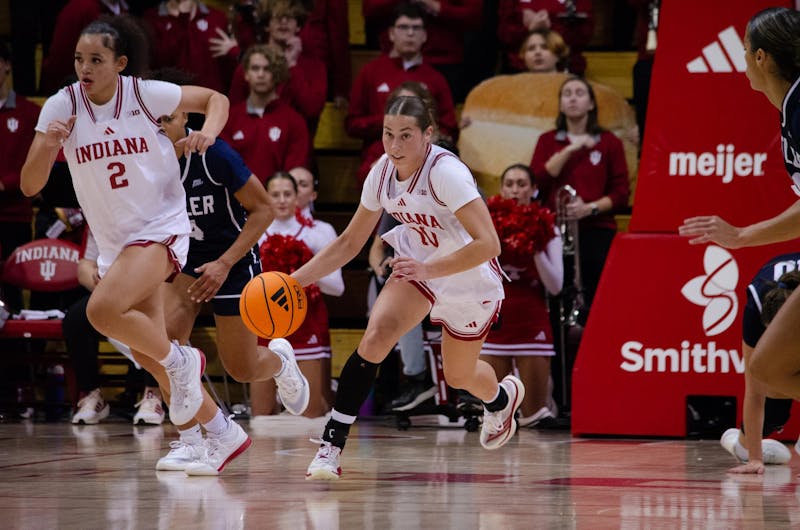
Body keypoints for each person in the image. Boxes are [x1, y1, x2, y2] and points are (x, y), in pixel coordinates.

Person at [294, 95, 524, 481]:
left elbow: (489, 244)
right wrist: (294, 281)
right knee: (376, 336)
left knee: (459, 376)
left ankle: (501, 399)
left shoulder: (446, 173)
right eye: (388, 135)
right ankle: (331, 445)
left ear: (428, 135)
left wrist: (429, 267)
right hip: (420, 265)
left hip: (466, 273)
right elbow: (350, 242)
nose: (395, 146)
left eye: (405, 136)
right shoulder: (381, 173)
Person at [20, 15, 228, 434]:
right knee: (145, 351)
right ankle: (219, 433)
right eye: (80, 59)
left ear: (120, 63)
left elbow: (214, 99)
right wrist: (48, 146)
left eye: (97, 59)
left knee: (100, 312)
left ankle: (183, 359)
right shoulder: (63, 105)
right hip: (115, 241)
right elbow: (29, 185)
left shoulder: (146, 94)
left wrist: (209, 132)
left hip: (160, 227)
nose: (85, 68)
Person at [125, 95, 310, 475]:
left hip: (234, 259)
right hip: (184, 260)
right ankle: (191, 441)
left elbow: (264, 211)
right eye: (152, 121)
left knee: (241, 367)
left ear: (186, 118)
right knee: (163, 345)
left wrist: (225, 263)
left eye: (167, 119)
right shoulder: (148, 163)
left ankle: (280, 361)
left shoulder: (216, 156)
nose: (159, 128)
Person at [678, 8, 800, 405]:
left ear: (762, 57)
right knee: (766, 370)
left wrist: (742, 236)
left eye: (745, 50)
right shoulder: (790, 109)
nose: (742, 59)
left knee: (769, 369)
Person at [530, 75, 630, 315]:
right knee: (558, 296)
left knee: (597, 297)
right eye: (567, 94)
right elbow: (537, 184)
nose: (573, 98)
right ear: (561, 105)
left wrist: (590, 208)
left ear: (591, 104)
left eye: (579, 93)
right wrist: (571, 149)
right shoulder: (547, 141)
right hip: (555, 230)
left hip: (597, 230)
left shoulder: (609, 142)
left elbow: (620, 193)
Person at [250, 171, 343, 419]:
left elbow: (338, 287)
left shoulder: (318, 232)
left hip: (306, 324)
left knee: (310, 412)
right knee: (261, 413)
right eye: (275, 194)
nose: (281, 200)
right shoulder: (254, 232)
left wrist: (302, 269)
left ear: (298, 197)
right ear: (266, 197)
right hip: (265, 325)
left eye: (287, 194)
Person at [481, 163, 563, 426]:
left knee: (534, 416)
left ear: (534, 190)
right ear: (502, 189)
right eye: (509, 184)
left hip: (531, 321)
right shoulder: (484, 224)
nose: (515, 190)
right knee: (497, 418)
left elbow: (556, 285)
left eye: (522, 184)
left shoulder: (549, 227)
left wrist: (534, 244)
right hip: (494, 319)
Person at [347, 3, 458, 183]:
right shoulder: (371, 72)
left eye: (416, 28)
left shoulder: (435, 78)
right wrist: (391, 122)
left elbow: (449, 128)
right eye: (403, 27)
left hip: (424, 158)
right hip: (377, 154)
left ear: (425, 35)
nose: (410, 33)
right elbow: (352, 123)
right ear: (391, 33)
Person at [67, 229, 166, 426]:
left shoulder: (147, 213)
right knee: (75, 319)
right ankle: (92, 394)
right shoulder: (96, 213)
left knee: (154, 316)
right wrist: (100, 284)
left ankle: (153, 394)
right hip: (110, 291)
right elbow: (84, 266)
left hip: (149, 287)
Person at [720, 256, 800, 474]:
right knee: (773, 412)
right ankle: (741, 445)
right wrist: (755, 459)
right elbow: (754, 390)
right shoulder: (756, 307)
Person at [221, 44, 310, 186]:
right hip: (235, 202)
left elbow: (293, 173)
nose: (261, 74)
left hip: (278, 203)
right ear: (246, 74)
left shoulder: (294, 121)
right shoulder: (229, 118)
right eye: (255, 68)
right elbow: (223, 167)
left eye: (267, 69)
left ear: (277, 74)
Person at [0, 40, 40, 311]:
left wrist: (5, 184)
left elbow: (37, 163)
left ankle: (21, 351)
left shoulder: (30, 113)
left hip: (14, 215)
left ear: (6, 65)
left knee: (15, 289)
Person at [142, 0, 237, 93]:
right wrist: (183, 19)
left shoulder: (217, 17)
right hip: (170, 98)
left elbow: (231, 67)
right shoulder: (151, 19)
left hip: (211, 96)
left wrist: (234, 50)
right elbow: (153, 62)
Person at [497, 0, 593, 74]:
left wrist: (549, 27)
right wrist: (529, 28)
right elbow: (503, 35)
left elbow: (584, 36)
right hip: (519, 70)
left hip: (566, 70)